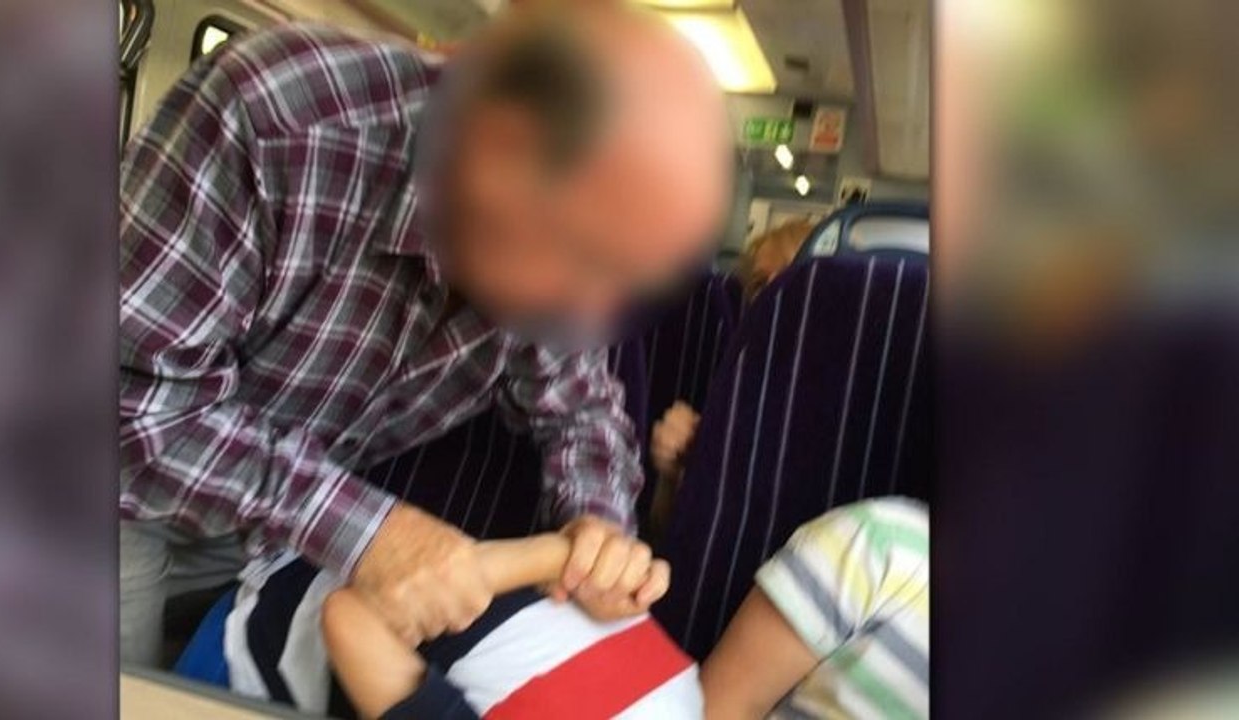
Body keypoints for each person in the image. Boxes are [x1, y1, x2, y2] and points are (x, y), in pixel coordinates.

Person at [118, 4, 733, 666]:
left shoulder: (570, 256)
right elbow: (127, 407)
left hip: (273, 532)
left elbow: (584, 413)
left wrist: (599, 531)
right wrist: (372, 531)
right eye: (584, 262)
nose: (589, 315)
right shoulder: (275, 118)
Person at [317, 497, 929, 719]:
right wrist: (575, 557)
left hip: (334, 593)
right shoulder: (694, 703)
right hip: (479, 567)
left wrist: (559, 556)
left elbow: (352, 615)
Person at [647, 219, 814, 533]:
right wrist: (671, 475)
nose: (773, 300)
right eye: (761, 285)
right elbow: (664, 527)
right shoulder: (732, 386)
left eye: (795, 281)